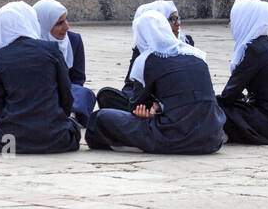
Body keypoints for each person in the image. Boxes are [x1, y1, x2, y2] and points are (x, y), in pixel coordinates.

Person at [86, 11, 226, 154]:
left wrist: (153, 111)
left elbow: (136, 106)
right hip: (213, 138)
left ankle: (127, 144)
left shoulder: (149, 59)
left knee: (100, 118)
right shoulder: (197, 55)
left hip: (175, 137)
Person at [0, 2, 82, 154]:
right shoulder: (52, 49)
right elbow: (66, 94)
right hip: (58, 139)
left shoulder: (1, 57)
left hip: (10, 142)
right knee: (73, 124)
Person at [218, 0, 268, 145]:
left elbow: (229, 94)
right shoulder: (265, 43)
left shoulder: (254, 50)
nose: (231, 24)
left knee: (215, 107)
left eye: (234, 19)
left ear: (245, 20)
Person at [95, 0, 194, 111]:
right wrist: (136, 100)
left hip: (173, 99)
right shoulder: (142, 47)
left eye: (178, 18)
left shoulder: (186, 44)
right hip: (144, 98)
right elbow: (130, 83)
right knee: (106, 95)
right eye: (172, 19)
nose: (178, 23)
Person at [33, 0, 96, 126]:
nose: (66, 27)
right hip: (39, 93)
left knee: (84, 94)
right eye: (59, 23)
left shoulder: (74, 40)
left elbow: (78, 79)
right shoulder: (31, 43)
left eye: (66, 20)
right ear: (44, 25)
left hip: (67, 92)